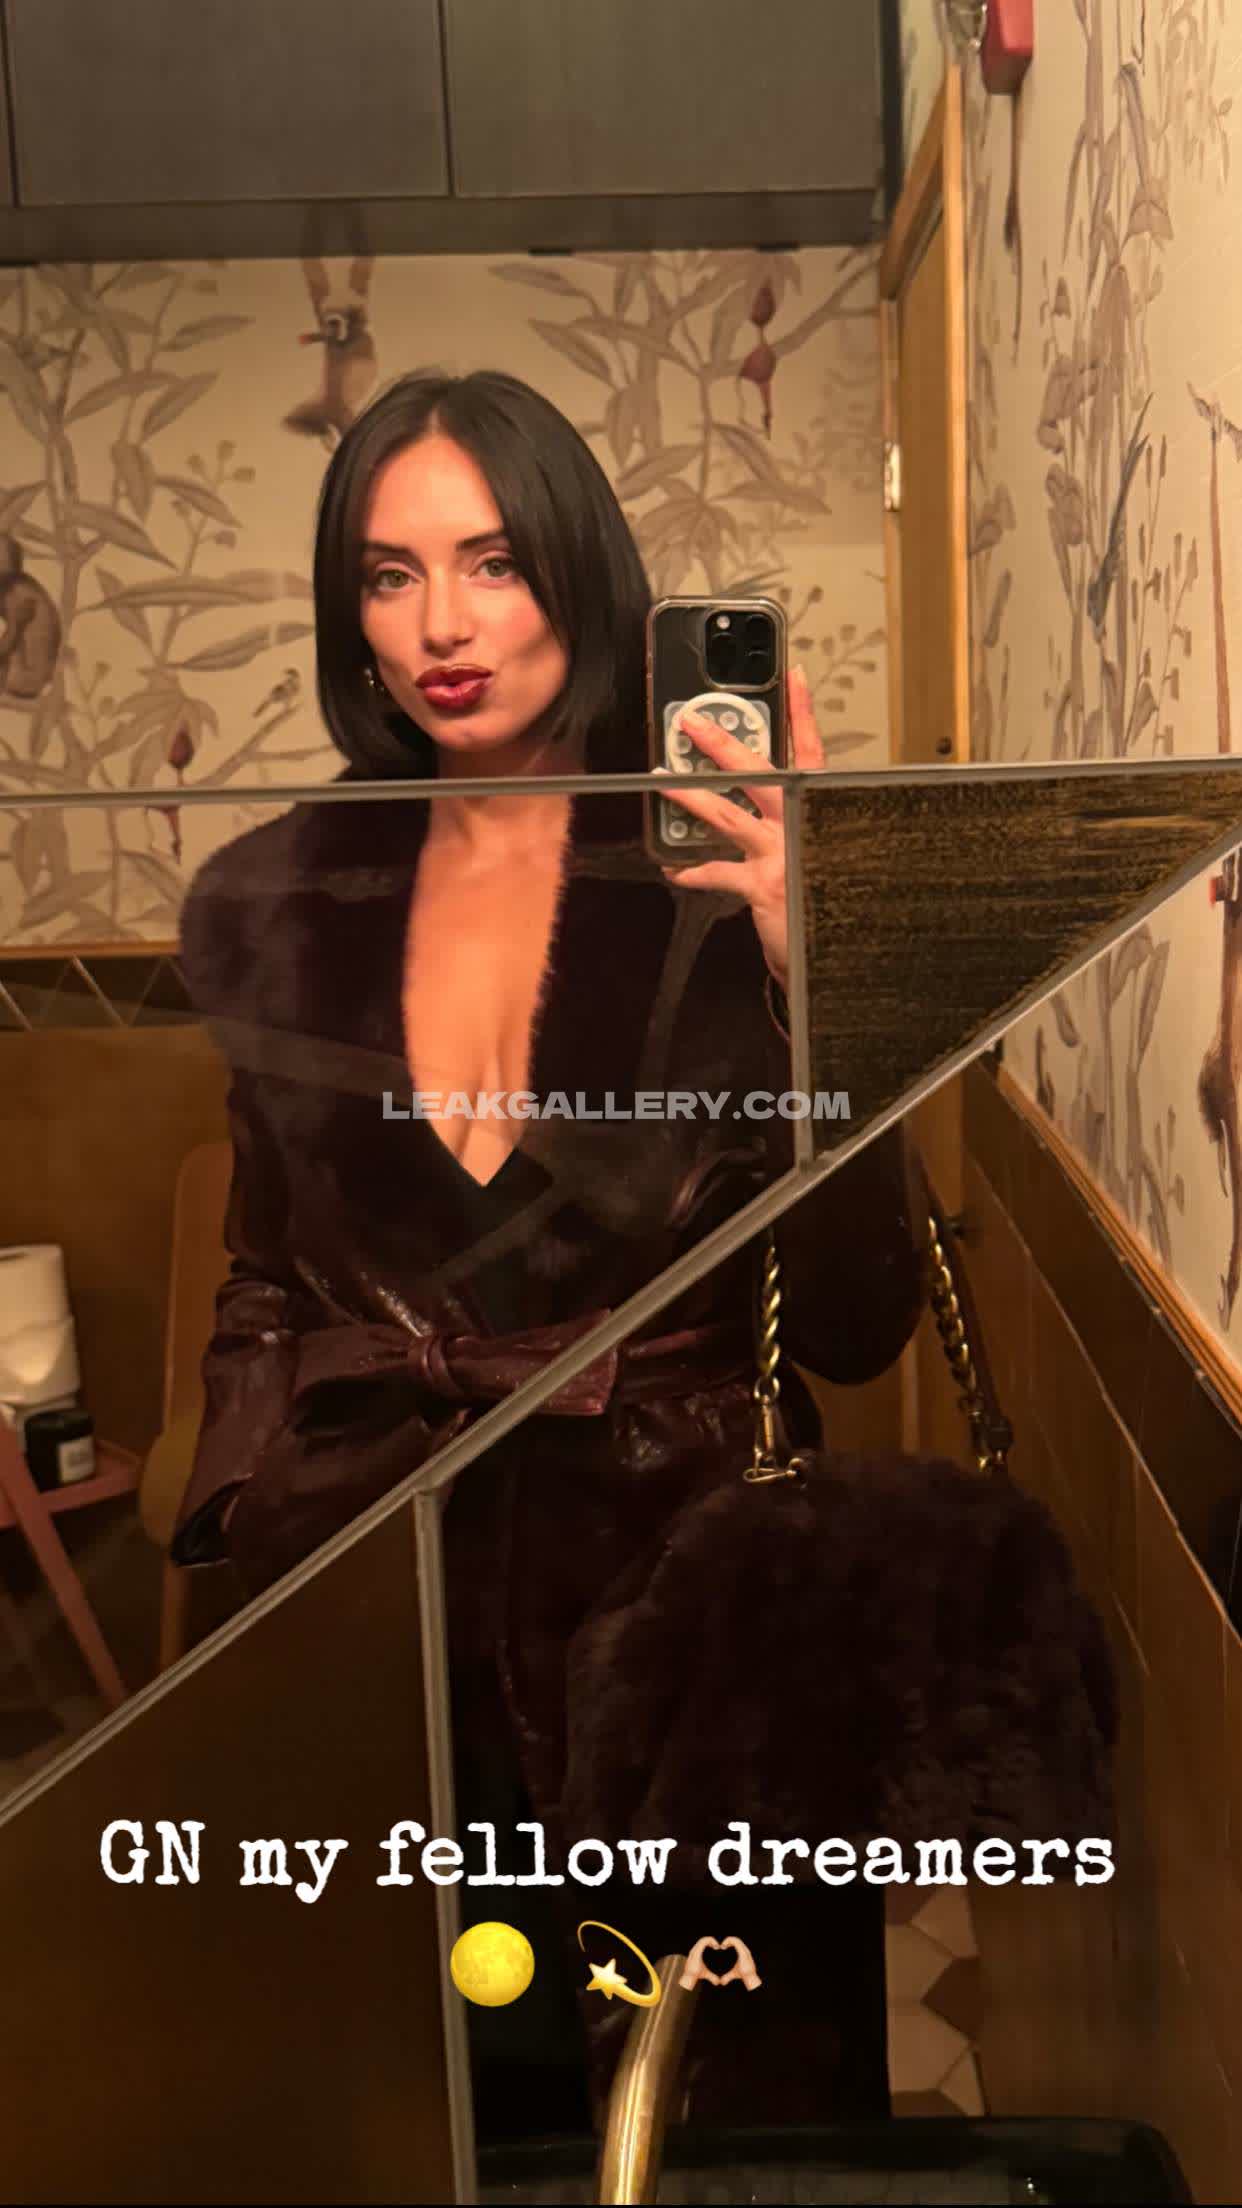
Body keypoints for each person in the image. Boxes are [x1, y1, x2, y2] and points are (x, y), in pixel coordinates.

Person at [171, 369, 929, 2144]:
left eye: (492, 561)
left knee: (726, 2119)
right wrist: (238, 1521)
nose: (439, 625)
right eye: (387, 574)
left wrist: (812, 964)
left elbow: (855, 1319)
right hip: (381, 1605)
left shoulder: (714, 880)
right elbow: (267, 1273)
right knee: (429, 2110)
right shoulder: (274, 900)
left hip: (688, 1623)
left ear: (580, 574)